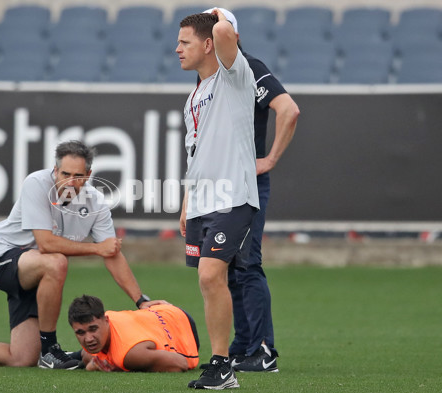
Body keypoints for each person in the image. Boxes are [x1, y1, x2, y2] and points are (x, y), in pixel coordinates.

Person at [0, 140, 165, 368]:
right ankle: (50, 350)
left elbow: (113, 255)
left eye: (78, 175)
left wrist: (140, 299)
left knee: (21, 358)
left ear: (89, 175)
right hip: (3, 259)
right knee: (56, 262)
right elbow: (46, 244)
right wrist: (96, 248)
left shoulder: (96, 202)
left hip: (35, 273)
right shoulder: (37, 183)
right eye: (64, 173)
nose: (70, 181)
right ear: (55, 170)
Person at [198, 9, 300, 373]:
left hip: (246, 183)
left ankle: (263, 349)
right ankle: (243, 346)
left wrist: (269, 158)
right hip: (222, 184)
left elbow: (288, 110)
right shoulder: (213, 79)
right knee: (229, 266)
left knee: (247, 265)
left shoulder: (248, 67)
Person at [176, 8, 259, 390]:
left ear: (208, 45)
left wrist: (215, 14)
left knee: (212, 274)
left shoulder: (234, 75)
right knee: (209, 281)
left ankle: (223, 366)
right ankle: (220, 364)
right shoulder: (193, 95)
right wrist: (186, 202)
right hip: (203, 201)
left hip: (233, 197)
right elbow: (194, 155)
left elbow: (225, 29)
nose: (176, 49)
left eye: (185, 42)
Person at [67, 295, 199, 372]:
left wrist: (117, 367)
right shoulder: (105, 318)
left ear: (106, 320)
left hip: (183, 328)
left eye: (93, 329)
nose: (88, 338)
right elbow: (89, 357)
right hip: (159, 313)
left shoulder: (130, 354)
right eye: (80, 333)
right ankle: (67, 355)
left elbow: (180, 363)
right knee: (85, 355)